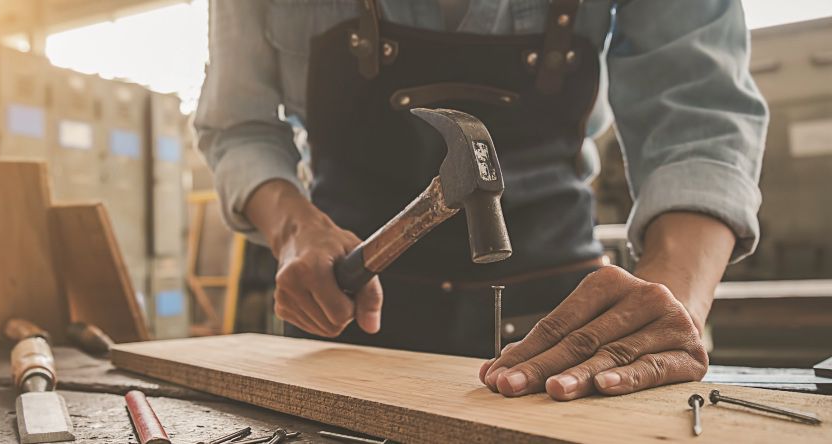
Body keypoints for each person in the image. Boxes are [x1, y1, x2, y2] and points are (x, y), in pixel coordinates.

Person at [196, 0, 767, 401]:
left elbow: (701, 117)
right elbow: (236, 125)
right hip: (343, 312)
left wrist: (671, 300)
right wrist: (295, 230)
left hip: (561, 325)